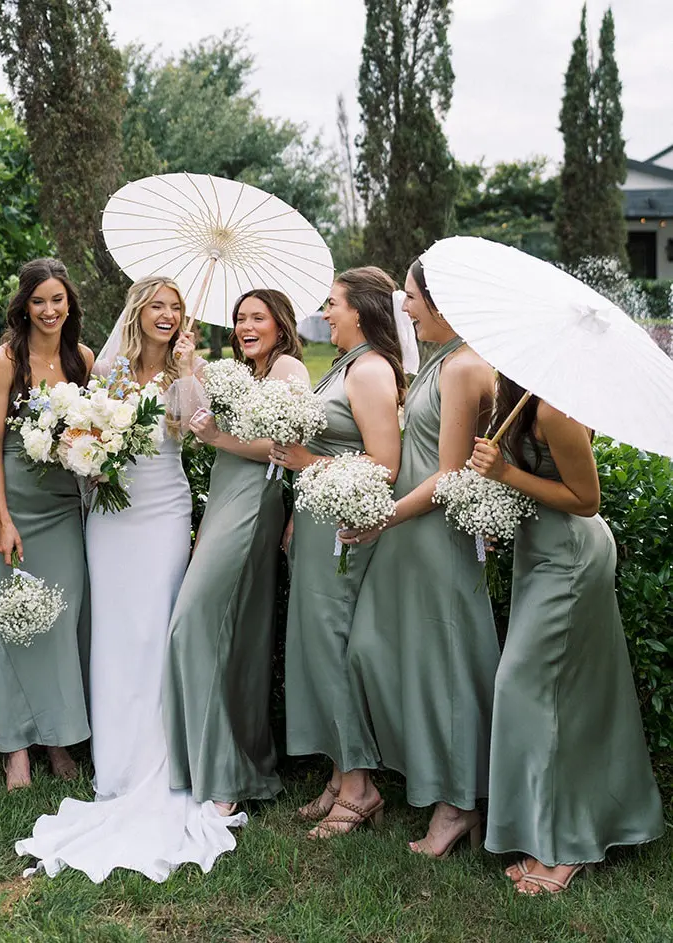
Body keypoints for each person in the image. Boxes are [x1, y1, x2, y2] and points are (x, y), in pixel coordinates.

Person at [16, 276, 245, 881]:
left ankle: (167, 760)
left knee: (156, 631)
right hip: (110, 517)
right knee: (115, 632)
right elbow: (88, 430)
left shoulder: (187, 371)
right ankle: (117, 766)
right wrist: (91, 458)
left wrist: (191, 371)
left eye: (176, 308)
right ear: (138, 313)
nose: (167, 316)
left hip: (165, 511)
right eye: (158, 307)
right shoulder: (109, 368)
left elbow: (195, 432)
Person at [470, 380, 665, 894]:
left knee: (532, 691)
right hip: (539, 556)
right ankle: (543, 834)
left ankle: (564, 849)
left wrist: (505, 472)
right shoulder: (519, 400)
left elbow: (586, 499)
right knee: (552, 698)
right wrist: (491, 504)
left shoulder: (556, 407)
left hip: (571, 561)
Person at [341, 258, 498, 853]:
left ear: (440, 301)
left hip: (435, 534)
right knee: (373, 650)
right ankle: (429, 779)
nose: (403, 308)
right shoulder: (437, 361)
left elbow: (451, 476)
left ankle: (458, 804)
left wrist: (387, 516)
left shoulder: (462, 369)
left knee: (446, 666)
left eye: (410, 297)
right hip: (409, 530)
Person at [270, 268, 407, 839]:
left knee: (334, 649)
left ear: (362, 312)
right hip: (316, 523)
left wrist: (306, 464)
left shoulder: (372, 371)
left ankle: (360, 788)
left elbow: (385, 465)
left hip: (345, 532)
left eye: (334, 305)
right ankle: (337, 774)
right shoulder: (345, 365)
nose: (326, 314)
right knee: (317, 648)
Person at [163, 288, 310, 815]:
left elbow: (280, 447)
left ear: (280, 323)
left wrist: (221, 438)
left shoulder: (290, 369)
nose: (247, 326)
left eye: (258, 318)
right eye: (240, 319)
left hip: (256, 500)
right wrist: (187, 367)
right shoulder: (240, 373)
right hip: (226, 495)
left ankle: (228, 770)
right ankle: (211, 761)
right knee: (228, 628)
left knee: (199, 619)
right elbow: (197, 425)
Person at [0, 258, 92, 790]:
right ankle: (16, 747)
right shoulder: (4, 362)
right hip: (13, 504)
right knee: (11, 622)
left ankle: (59, 739)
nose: (49, 310)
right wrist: (2, 519)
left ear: (70, 304)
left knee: (59, 622)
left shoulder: (82, 359)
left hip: (63, 505)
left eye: (58, 300)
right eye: (39, 301)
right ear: (23, 306)